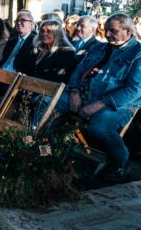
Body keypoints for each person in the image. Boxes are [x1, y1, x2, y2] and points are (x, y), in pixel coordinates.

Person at [54, 13, 141, 181]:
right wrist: (73, 92)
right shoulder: (98, 48)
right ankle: (45, 151)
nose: (107, 35)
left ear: (128, 31)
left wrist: (99, 104)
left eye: (113, 31)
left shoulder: (137, 53)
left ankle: (121, 161)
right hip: (84, 96)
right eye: (106, 30)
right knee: (44, 101)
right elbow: (78, 72)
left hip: (119, 105)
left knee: (99, 128)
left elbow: (134, 90)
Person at [18, 20, 77, 84]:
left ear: (57, 34)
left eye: (49, 31)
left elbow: (58, 77)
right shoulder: (34, 47)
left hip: (48, 90)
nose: (44, 34)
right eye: (42, 31)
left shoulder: (66, 52)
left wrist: (31, 81)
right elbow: (22, 67)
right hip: (25, 85)